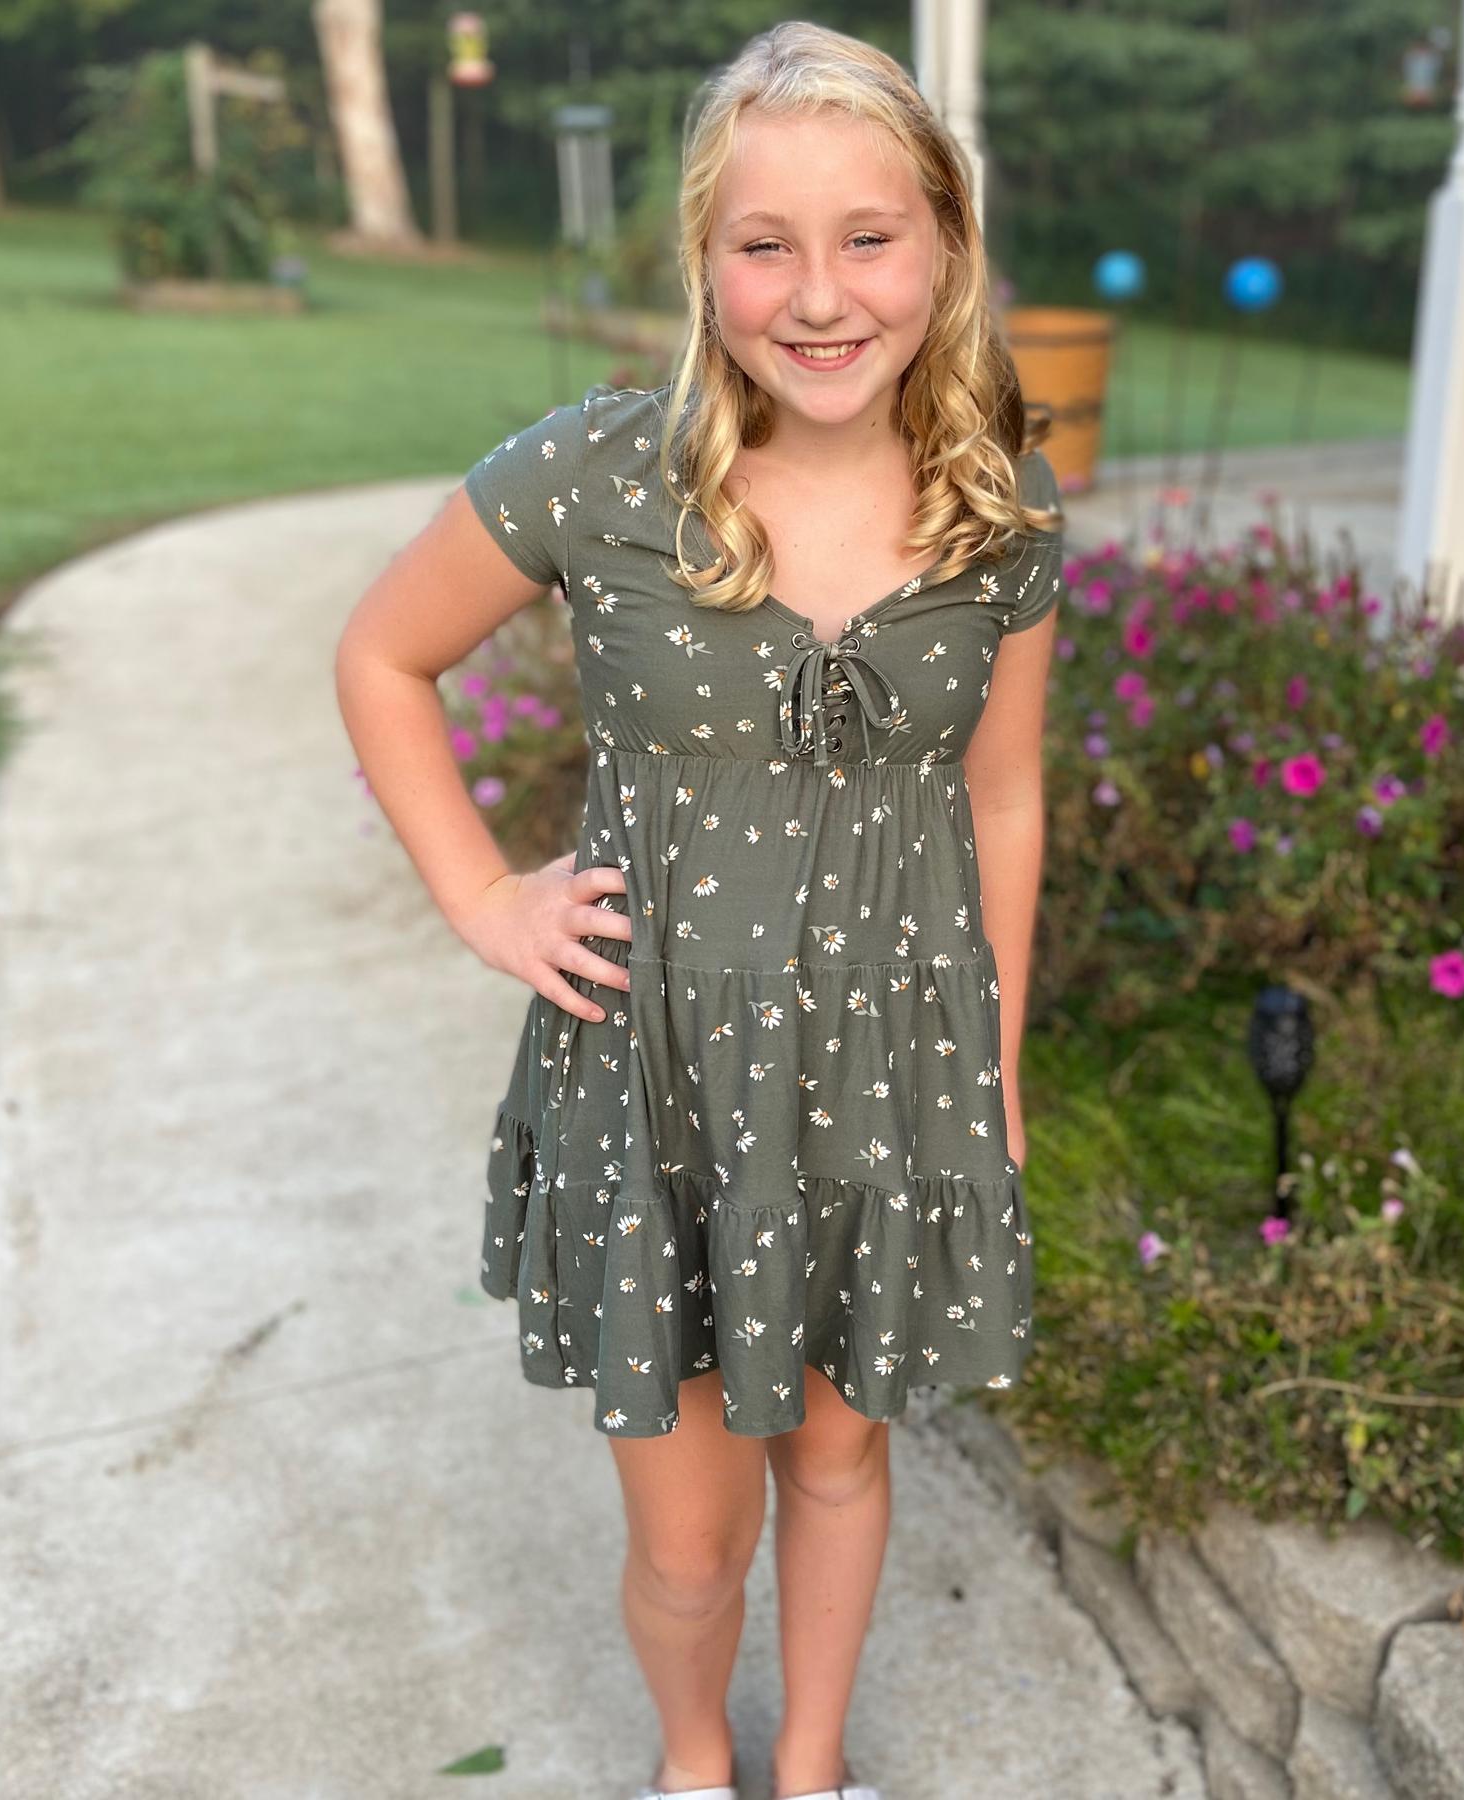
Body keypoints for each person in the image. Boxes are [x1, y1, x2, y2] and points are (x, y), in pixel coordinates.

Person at [334, 20, 1064, 1800]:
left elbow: (1003, 795)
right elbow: (382, 655)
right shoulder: (599, 476)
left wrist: (997, 1066)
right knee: (687, 1543)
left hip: (889, 1072)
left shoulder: (997, 504)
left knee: (840, 1460)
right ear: (704, 261)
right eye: (765, 245)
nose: (819, 295)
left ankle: (807, 1768)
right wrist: (483, 894)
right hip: (658, 1079)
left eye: (868, 238)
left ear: (945, 244)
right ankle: (690, 1764)